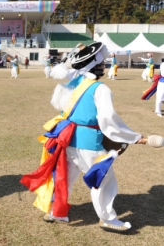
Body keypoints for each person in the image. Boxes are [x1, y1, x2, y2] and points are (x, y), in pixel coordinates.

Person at [20, 42, 146, 232]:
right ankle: (108, 218)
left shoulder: (75, 83)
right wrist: (135, 137)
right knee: (103, 179)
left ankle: (56, 212)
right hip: (88, 142)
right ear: (95, 65)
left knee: (63, 177)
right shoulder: (100, 88)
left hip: (67, 139)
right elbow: (108, 120)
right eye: (102, 63)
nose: (104, 65)